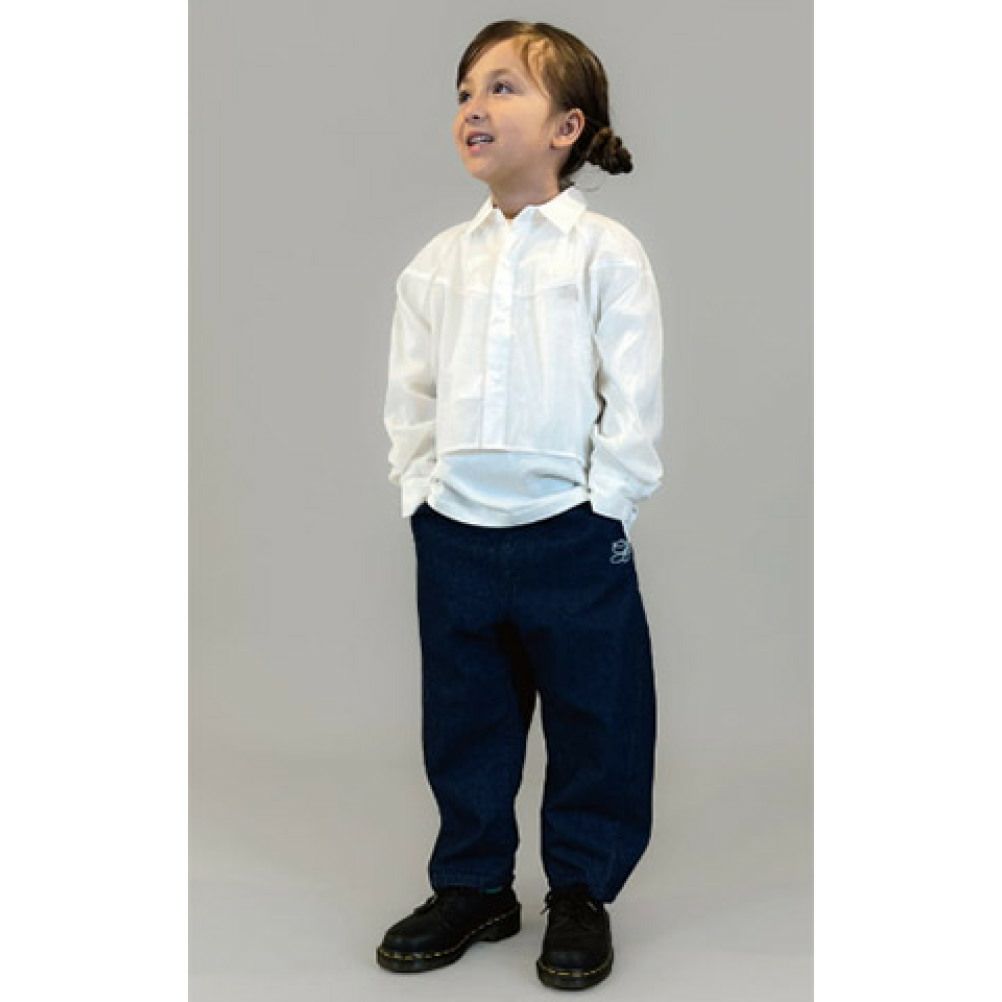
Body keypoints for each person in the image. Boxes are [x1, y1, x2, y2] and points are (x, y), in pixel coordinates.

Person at [377, 19, 664, 991]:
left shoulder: (604, 253)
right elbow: (411, 394)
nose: (474, 107)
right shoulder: (437, 263)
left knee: (597, 718)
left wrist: (608, 506)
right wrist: (421, 493)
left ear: (566, 127)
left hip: (570, 534)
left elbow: (633, 394)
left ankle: (580, 891)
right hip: (457, 531)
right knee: (466, 719)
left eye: (503, 88)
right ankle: (474, 885)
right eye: (465, 91)